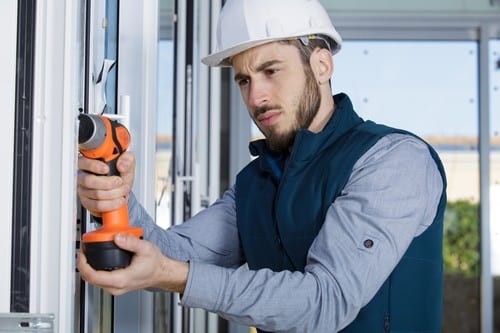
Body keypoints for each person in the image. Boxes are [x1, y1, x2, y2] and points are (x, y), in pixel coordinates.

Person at [77, 0, 447, 332]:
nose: (256, 97)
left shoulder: (393, 160)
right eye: (244, 80)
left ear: (321, 64)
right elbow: (171, 256)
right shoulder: (255, 183)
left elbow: (326, 300)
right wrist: (116, 198)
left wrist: (173, 275)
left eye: (271, 71)